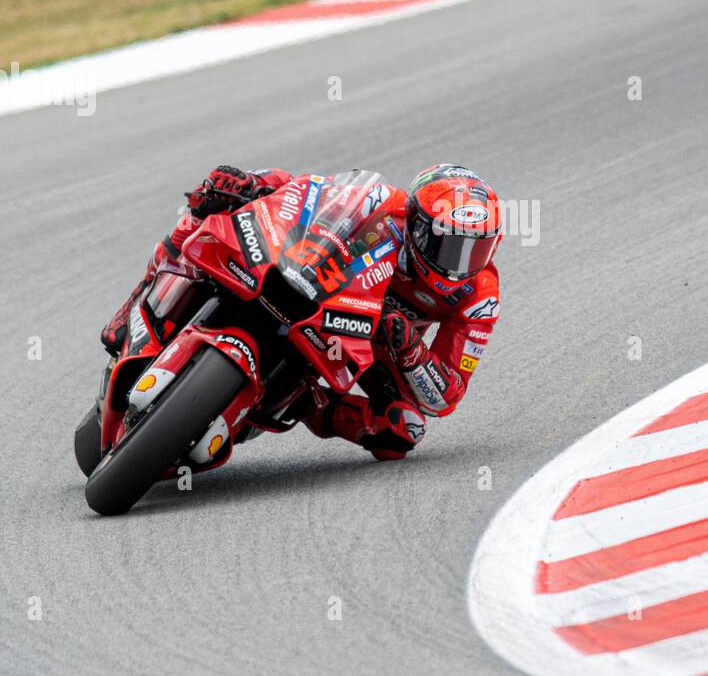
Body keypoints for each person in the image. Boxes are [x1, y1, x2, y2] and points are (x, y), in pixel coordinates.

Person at [100, 164, 501, 460]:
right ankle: (136, 304)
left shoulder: (479, 297)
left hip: (372, 341)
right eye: (446, 244)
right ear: (416, 223)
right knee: (209, 207)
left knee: (403, 430)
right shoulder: (387, 205)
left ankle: (306, 403)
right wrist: (252, 183)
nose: (457, 263)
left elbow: (446, 395)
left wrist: (411, 351)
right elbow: (305, 190)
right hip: (323, 288)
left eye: (473, 249)